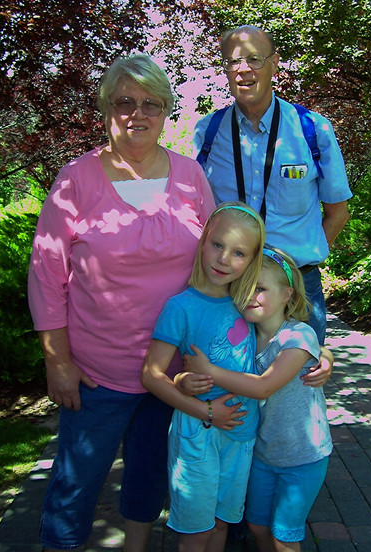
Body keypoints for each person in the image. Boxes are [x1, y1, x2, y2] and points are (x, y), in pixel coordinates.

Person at [27, 54, 243, 552]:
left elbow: (223, 260)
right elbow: (46, 276)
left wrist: (285, 330)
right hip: (96, 372)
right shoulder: (76, 181)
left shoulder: (190, 176)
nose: (137, 113)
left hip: (173, 372)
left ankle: (136, 547)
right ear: (106, 108)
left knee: (148, 474)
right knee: (76, 481)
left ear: (166, 111)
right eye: (124, 101)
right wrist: (57, 362)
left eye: (150, 103)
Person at [193, 24, 352, 346]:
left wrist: (296, 265)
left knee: (297, 392)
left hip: (296, 295)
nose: (243, 70)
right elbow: (197, 217)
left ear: (274, 62)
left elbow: (338, 212)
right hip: (228, 292)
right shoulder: (207, 133)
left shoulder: (313, 130)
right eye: (233, 62)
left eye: (254, 59)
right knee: (229, 392)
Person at [185, 246, 333, 552]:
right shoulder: (246, 335)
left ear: (287, 295)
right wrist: (186, 379)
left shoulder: (298, 336)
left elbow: (265, 386)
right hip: (265, 453)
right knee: (257, 525)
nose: (250, 295)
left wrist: (209, 370)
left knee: (284, 535)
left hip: (304, 455)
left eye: (261, 288)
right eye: (244, 287)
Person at [141, 202, 266, 552]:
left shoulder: (249, 304)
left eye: (239, 253)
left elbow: (292, 334)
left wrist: (326, 355)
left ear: (252, 260)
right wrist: (204, 410)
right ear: (203, 240)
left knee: (222, 524)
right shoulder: (180, 307)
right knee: (196, 531)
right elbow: (151, 376)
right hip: (199, 434)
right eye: (218, 245)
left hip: (241, 436)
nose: (224, 259)